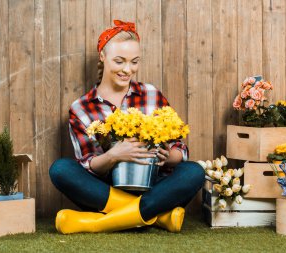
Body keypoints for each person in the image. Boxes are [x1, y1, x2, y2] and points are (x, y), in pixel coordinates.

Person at [49, 20, 205, 234]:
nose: (127, 69)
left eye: (134, 62)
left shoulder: (151, 94)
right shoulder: (81, 108)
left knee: (193, 172)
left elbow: (179, 147)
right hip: (107, 190)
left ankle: (99, 223)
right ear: (103, 56)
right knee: (61, 170)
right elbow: (88, 164)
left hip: (154, 185)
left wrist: (167, 157)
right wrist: (114, 155)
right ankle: (158, 217)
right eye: (119, 61)